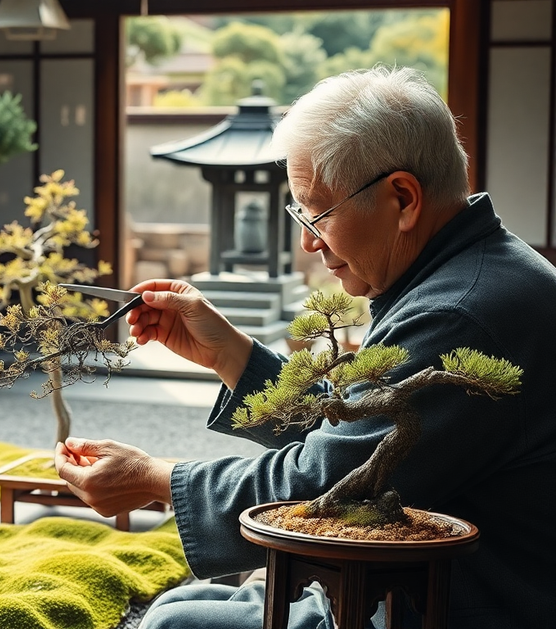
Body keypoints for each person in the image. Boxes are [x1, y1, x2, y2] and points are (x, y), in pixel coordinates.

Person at [54, 66, 556, 629]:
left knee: (175, 624)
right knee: (176, 606)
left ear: (403, 198)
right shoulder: (475, 274)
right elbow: (355, 435)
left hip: (458, 603)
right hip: (406, 575)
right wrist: (230, 354)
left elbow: (326, 484)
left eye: (317, 212)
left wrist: (155, 478)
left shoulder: (459, 312)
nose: (307, 240)